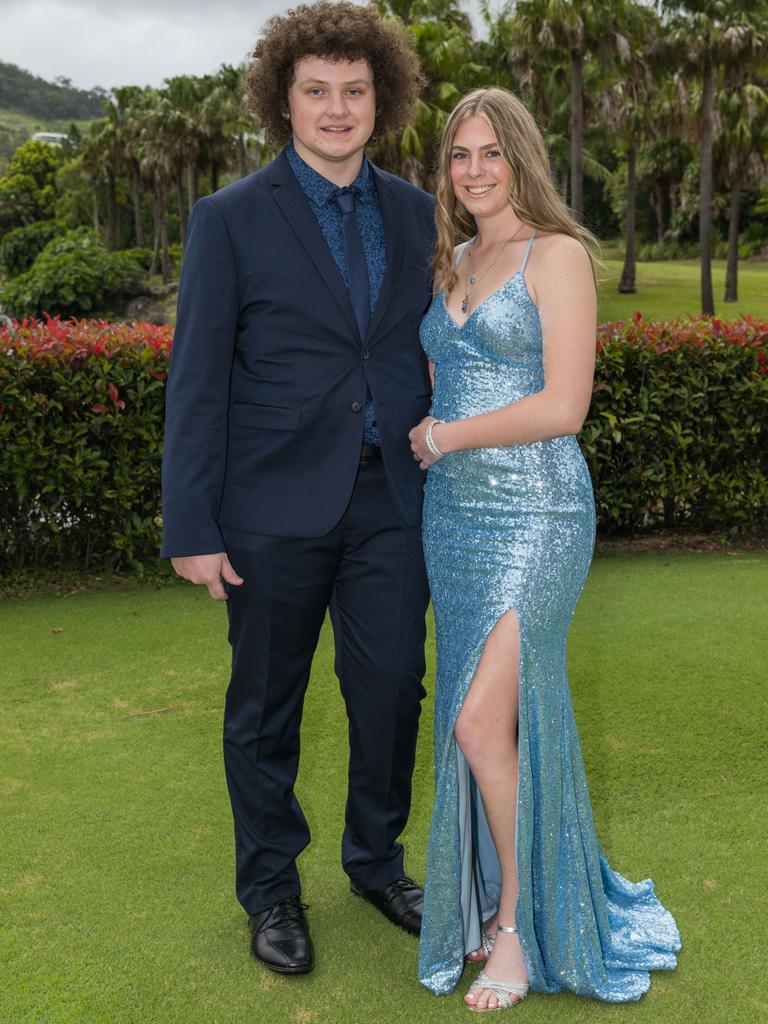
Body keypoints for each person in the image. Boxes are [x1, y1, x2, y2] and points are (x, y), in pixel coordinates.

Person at [161, 2, 435, 977]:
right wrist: (190, 523)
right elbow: (197, 377)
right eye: (316, 91)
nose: (336, 108)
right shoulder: (228, 219)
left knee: (392, 691)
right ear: (284, 100)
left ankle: (375, 861)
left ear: (381, 99)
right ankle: (272, 887)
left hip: (392, 504)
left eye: (354, 91)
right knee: (266, 709)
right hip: (268, 508)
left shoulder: (418, 212)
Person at [409, 88, 681, 1011]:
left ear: (522, 157)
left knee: (480, 723)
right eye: (459, 156)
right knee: (481, 718)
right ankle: (503, 907)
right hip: (453, 518)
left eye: (492, 153)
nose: (475, 171)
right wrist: (435, 430)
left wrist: (446, 437)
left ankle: (519, 930)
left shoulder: (556, 255)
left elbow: (564, 406)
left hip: (538, 514)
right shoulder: (455, 258)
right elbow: (453, 377)